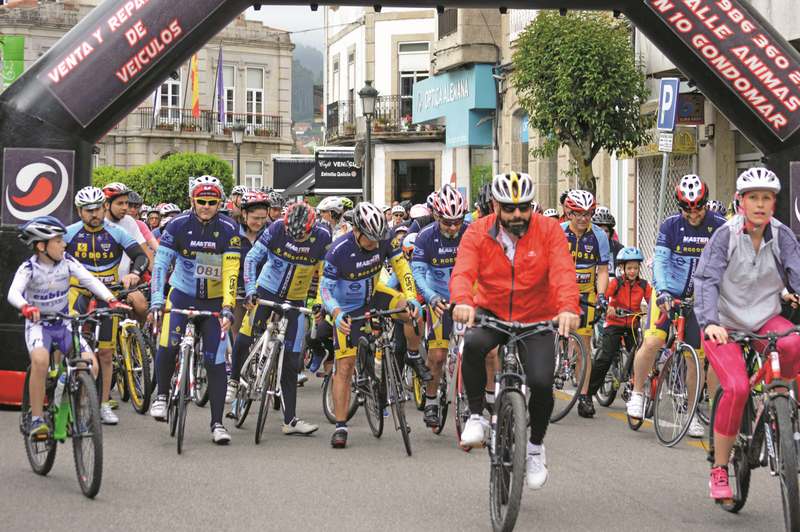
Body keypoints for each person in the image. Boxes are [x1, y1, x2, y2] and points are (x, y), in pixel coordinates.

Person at [451, 171, 580, 490]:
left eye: (524, 207)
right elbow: (463, 271)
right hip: (491, 311)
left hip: (536, 316)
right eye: (509, 208)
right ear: (495, 205)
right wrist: (463, 301)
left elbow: (563, 271)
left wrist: (567, 307)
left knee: (540, 381)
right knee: (473, 343)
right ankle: (477, 415)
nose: (517, 214)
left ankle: (534, 446)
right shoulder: (478, 232)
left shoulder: (549, 230)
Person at [694, 167, 800, 500]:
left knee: (795, 342)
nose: (759, 204)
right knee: (737, 387)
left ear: (774, 203)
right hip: (724, 324)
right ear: (741, 201)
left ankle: (783, 408)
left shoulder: (783, 236)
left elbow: (797, 274)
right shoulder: (725, 235)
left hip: (765, 319)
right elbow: (706, 281)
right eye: (753, 197)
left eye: (766, 198)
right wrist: (709, 321)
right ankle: (720, 468)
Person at [320, 202, 428, 449]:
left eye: (377, 239)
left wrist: (411, 296)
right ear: (356, 230)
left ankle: (412, 355)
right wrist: (336, 313)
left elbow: (402, 268)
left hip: (373, 294)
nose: (373, 244)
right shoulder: (338, 250)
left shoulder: (384, 238)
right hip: (346, 307)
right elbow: (325, 289)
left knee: (411, 312)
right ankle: (340, 425)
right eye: (369, 239)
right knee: (345, 366)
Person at [9, 216, 127, 440]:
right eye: (58, 240)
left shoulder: (68, 261)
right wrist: (25, 306)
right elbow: (13, 292)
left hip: (64, 323)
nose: (64, 244)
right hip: (39, 326)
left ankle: (78, 411)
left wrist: (111, 300)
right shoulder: (29, 268)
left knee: (90, 364)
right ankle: (36, 419)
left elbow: (89, 280)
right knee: (41, 362)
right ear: (41, 245)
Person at [626, 174, 726, 438]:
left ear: (705, 202)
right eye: (687, 209)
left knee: (697, 360)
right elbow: (659, 262)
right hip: (669, 293)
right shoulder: (670, 226)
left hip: (701, 300)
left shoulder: (719, 225)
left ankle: (691, 412)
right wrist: (663, 292)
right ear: (679, 207)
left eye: (698, 208)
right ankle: (637, 392)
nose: (693, 214)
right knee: (652, 342)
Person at [148, 175, 240, 445]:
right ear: (192, 201)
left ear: (219, 203)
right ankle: (162, 396)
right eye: (201, 201)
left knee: (216, 360)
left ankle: (218, 424)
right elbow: (161, 265)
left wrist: (227, 306)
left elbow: (231, 271)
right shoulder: (176, 226)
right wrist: (156, 300)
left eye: (212, 202)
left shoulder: (229, 228)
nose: (206, 206)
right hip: (181, 296)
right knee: (168, 344)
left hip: (212, 302)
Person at [227, 201, 331, 435]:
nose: (297, 239)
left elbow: (326, 274)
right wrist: (251, 289)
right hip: (266, 290)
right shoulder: (275, 229)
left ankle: (290, 420)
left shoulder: (323, 237)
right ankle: (233, 381)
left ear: (312, 228)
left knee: (292, 361)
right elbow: (252, 259)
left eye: (302, 236)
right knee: (245, 335)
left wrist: (320, 303)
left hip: (296, 299)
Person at [65, 186, 149, 425]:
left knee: (105, 352)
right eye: (88, 210)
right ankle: (70, 399)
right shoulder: (69, 233)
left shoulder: (115, 232)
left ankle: (102, 404)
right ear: (79, 211)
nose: (94, 214)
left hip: (107, 294)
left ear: (104, 208)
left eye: (98, 209)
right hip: (77, 293)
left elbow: (141, 256)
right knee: (72, 349)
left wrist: (134, 274)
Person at [411, 185, 468, 429]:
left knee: (475, 353)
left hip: (465, 300)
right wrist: (431, 297)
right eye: (447, 222)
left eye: (457, 221)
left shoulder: (470, 232)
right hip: (439, 301)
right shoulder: (425, 236)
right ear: (436, 216)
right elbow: (418, 273)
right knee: (438, 355)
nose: (453, 227)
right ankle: (432, 399)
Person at [561, 189, 609, 418]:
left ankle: (584, 396)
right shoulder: (558, 233)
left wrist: (601, 296)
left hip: (585, 294)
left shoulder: (599, 236)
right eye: (578, 214)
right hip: (560, 293)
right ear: (568, 212)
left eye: (588, 214)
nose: (583, 219)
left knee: (585, 346)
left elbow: (602, 271)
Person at [585, 247, 651, 406]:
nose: (632, 271)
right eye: (629, 268)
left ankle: (634, 389)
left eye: (635, 268)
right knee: (605, 358)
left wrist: (652, 313)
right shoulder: (616, 283)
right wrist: (609, 307)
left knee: (638, 356)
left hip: (632, 325)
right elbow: (604, 297)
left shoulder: (643, 285)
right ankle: (588, 394)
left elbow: (652, 302)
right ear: (622, 268)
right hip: (614, 324)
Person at [592, 209, 624, 278]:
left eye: (606, 231)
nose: (603, 234)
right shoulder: (588, 246)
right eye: (599, 230)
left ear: (611, 233)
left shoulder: (618, 248)